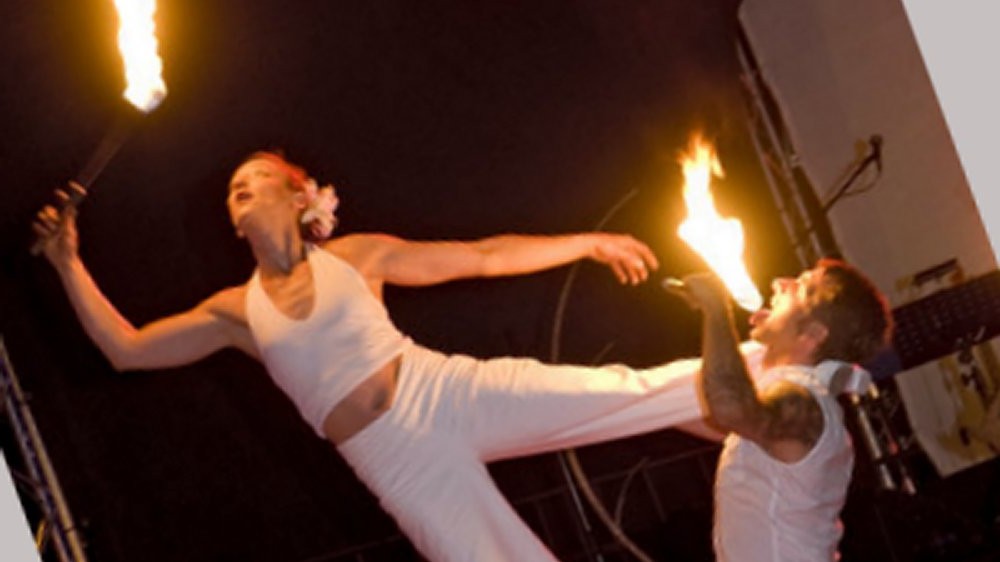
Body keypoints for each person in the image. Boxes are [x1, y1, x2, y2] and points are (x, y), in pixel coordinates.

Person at [33, 151, 762, 562]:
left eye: (252, 177)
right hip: (397, 464)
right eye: (231, 188)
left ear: (297, 196)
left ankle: (768, 384)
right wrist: (68, 263)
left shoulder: (356, 256)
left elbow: (480, 258)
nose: (238, 188)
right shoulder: (234, 314)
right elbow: (125, 351)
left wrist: (588, 242)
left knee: (613, 392)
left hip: (441, 391)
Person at [671, 260, 893, 561]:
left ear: (812, 333)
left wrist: (716, 311)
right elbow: (728, 423)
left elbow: (730, 408)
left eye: (799, 286)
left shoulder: (803, 400)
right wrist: (636, 412)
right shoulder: (799, 402)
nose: (779, 282)